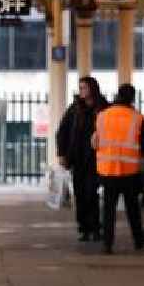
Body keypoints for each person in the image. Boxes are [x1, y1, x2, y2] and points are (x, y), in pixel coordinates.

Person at [91, 83, 144, 255]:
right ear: (132, 98)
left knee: (108, 208)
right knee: (132, 208)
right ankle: (138, 240)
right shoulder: (137, 118)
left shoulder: (102, 116)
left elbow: (95, 141)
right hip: (129, 171)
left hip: (107, 169)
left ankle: (107, 244)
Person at [56, 77, 109, 242]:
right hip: (78, 158)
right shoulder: (75, 109)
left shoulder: (103, 108)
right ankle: (84, 228)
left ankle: (95, 227)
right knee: (80, 194)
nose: (82, 91)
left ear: (93, 88)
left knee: (91, 193)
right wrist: (62, 154)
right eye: (80, 88)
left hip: (96, 158)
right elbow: (62, 131)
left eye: (84, 87)